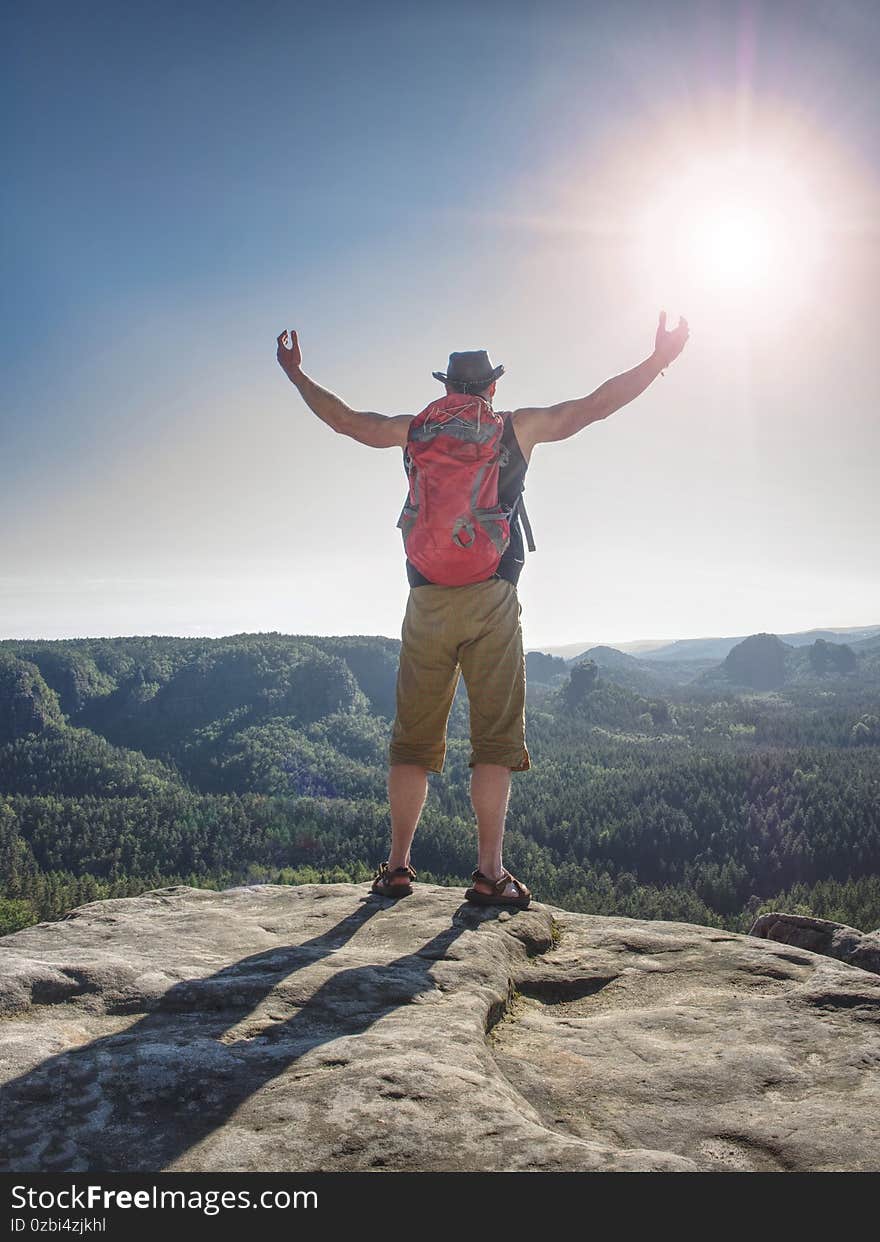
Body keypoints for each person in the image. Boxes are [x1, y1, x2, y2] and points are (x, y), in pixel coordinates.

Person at [276, 312, 689, 907]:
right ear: (491, 386)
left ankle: (397, 866)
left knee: (412, 742)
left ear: (446, 387)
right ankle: (490, 872)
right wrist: (658, 360)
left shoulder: (414, 430)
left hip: (425, 600)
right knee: (494, 741)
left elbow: (347, 422)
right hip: (492, 598)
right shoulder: (514, 428)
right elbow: (594, 405)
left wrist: (297, 375)